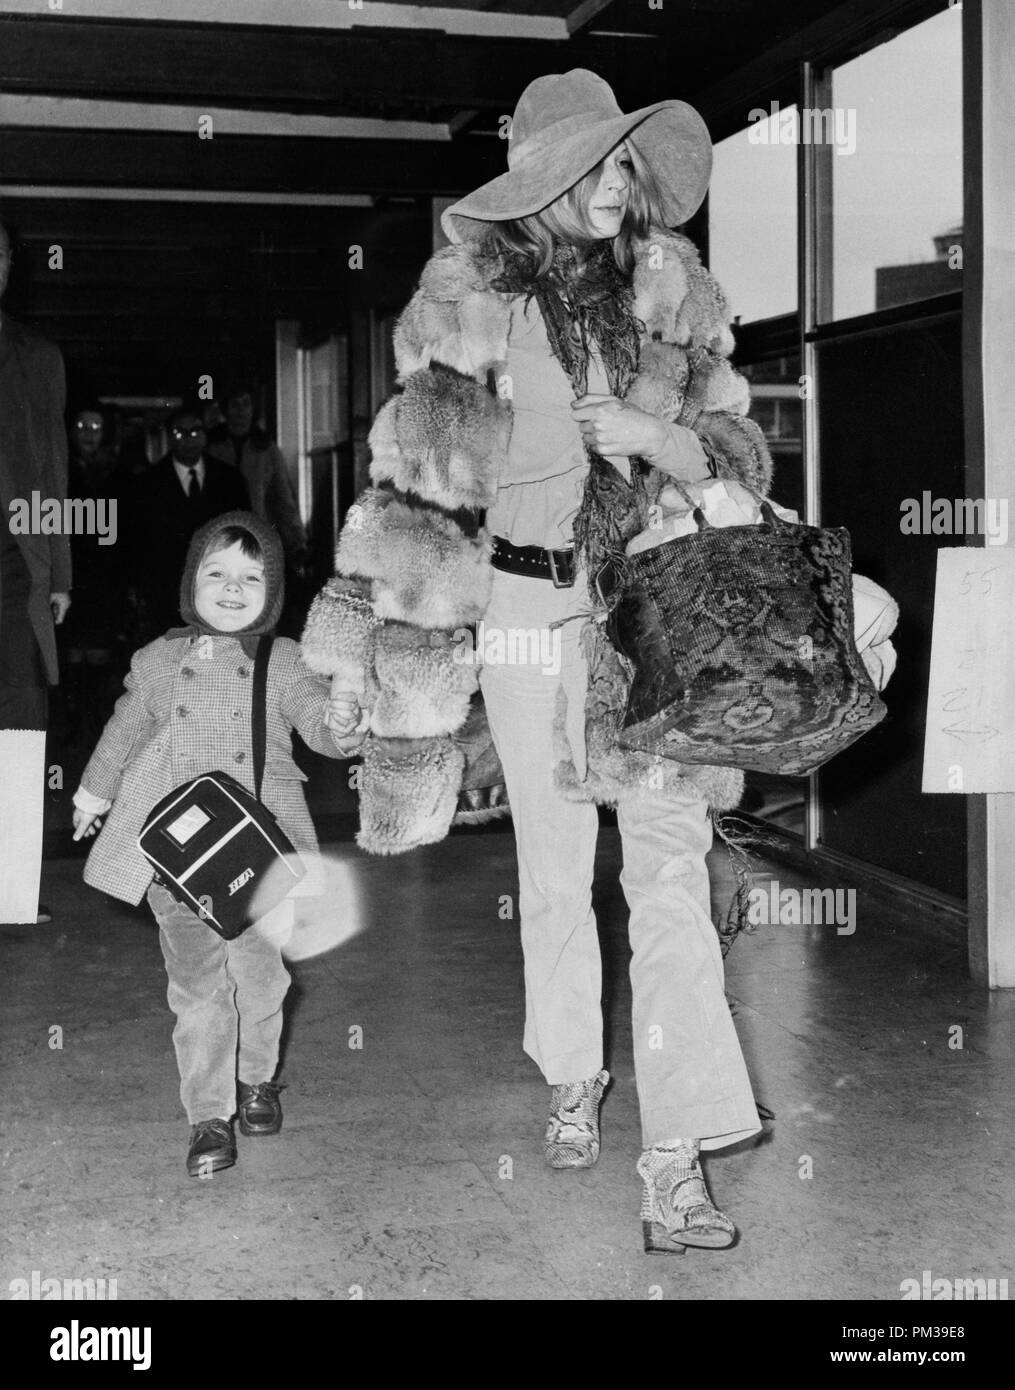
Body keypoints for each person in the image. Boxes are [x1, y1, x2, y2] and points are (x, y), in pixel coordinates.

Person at [302, 70, 774, 1252]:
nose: (612, 186)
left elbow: (739, 455)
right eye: (586, 166)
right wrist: (352, 661)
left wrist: (660, 437)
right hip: (518, 607)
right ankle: (574, 1072)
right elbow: (408, 498)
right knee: (555, 868)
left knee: (664, 878)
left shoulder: (675, 295)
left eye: (621, 163)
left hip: (649, 614)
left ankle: (677, 1156)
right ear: (534, 184)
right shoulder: (465, 309)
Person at [72, 511, 363, 1176]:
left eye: (250, 578)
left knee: (261, 983)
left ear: (271, 592)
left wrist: (344, 723)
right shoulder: (157, 661)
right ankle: (209, 1115)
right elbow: (121, 732)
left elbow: (319, 726)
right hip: (177, 864)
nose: (233, 589)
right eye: (217, 574)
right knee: (198, 992)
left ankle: (256, 1079)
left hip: (262, 861)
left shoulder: (282, 662)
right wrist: (92, 794)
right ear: (190, 582)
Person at [0, 214, 71, 925]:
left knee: (20, 721)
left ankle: (12, 894)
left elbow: (53, 469)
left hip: (14, 568)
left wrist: (60, 575)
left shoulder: (37, 356)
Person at [128, 403, 249, 637]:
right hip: (165, 589)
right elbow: (138, 541)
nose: (188, 439)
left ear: (205, 435)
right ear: (170, 437)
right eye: (179, 433)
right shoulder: (147, 484)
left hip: (219, 585)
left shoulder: (230, 479)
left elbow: (245, 532)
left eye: (195, 432)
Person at [60, 403, 130, 741]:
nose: (89, 434)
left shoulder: (118, 472)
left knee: (102, 654)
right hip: (71, 571)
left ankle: (99, 726)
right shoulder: (60, 468)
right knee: (72, 654)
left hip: (107, 574)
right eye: (83, 426)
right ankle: (74, 724)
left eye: (95, 427)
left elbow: (128, 527)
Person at [206, 382, 309, 572]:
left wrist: (296, 543)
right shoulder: (211, 446)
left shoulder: (266, 448)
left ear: (254, 409)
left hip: (257, 535)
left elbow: (284, 497)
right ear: (225, 409)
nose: (241, 410)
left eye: (246, 404)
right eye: (235, 404)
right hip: (218, 535)